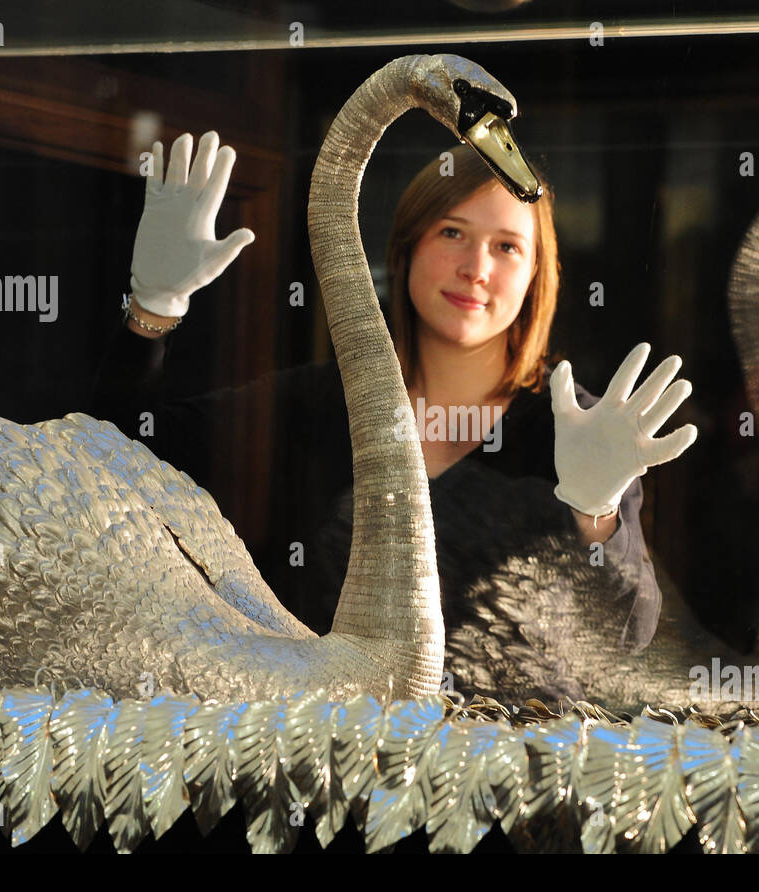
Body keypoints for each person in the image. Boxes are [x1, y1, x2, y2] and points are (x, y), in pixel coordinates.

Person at [91, 131, 697, 704]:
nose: (477, 268)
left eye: (507, 246)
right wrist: (153, 309)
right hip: (324, 765)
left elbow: (626, 635)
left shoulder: (582, 429)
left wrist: (596, 513)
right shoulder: (320, 402)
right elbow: (108, 457)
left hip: (503, 780)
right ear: (405, 250)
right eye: (452, 232)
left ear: (538, 273)